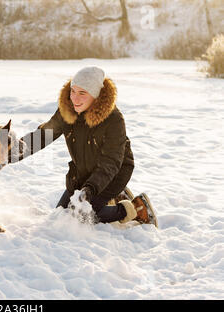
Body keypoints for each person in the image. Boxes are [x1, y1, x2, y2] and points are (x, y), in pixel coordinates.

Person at [10, 66, 157, 227]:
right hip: (84, 171)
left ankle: (134, 208)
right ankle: (112, 198)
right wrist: (9, 153)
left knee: (81, 217)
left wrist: (91, 188)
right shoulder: (67, 111)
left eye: (82, 93)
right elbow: (43, 135)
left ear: (95, 96)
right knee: (62, 214)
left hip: (114, 171)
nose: (75, 98)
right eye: (73, 91)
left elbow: (111, 162)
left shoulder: (114, 120)